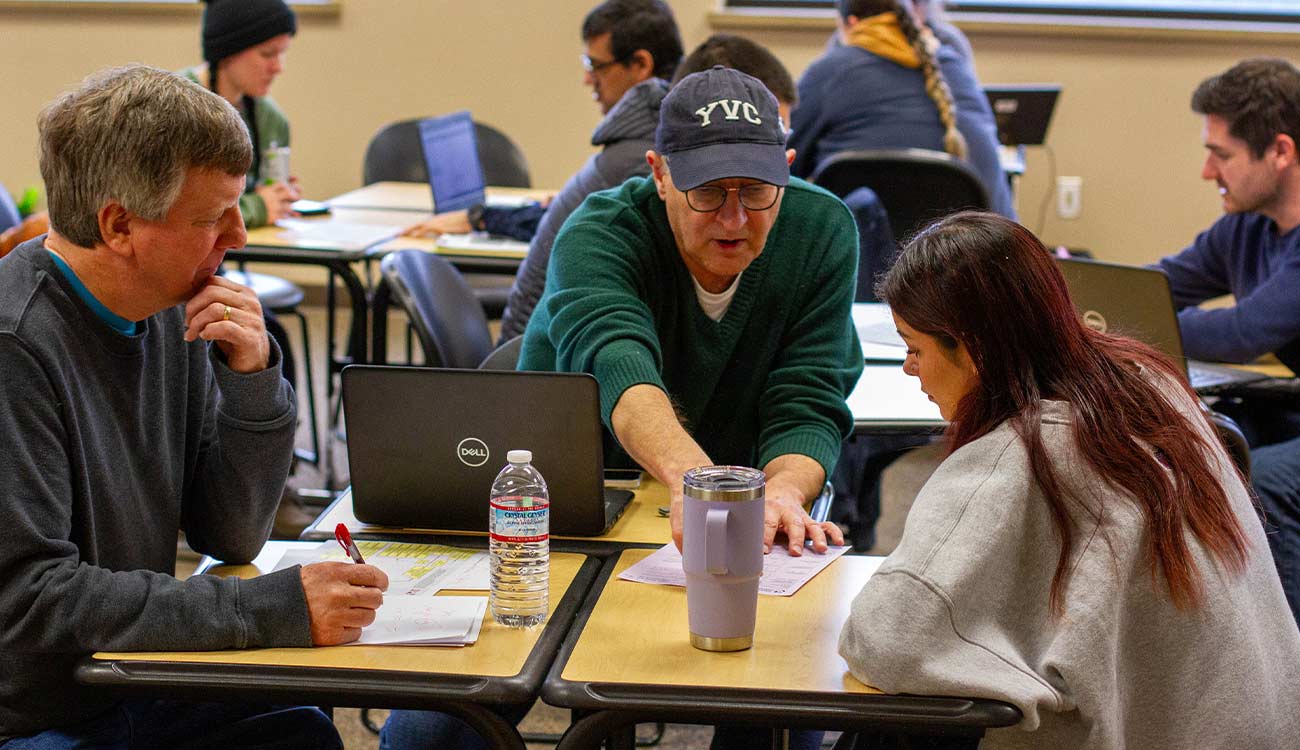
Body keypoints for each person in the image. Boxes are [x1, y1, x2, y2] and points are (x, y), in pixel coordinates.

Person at [0, 65, 389, 748]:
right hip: (36, 714)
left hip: (120, 677)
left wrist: (254, 378)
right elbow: (29, 600)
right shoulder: (15, 347)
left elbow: (231, 532)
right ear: (120, 225)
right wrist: (268, 608)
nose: (238, 236)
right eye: (212, 217)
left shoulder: (163, 306)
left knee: (301, 725)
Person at [838, 211, 1300, 749]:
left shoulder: (1025, 455)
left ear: (974, 348)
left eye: (914, 348)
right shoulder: (1149, 382)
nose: (909, 370)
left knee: (891, 729)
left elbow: (887, 638)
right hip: (1261, 724)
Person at [403, 0, 683, 342]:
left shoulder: (642, 146)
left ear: (640, 65)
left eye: (595, 66)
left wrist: (482, 217)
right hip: (541, 362)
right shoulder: (647, 153)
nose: (586, 79)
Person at [1154, 58, 1300, 625]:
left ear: (1281, 151)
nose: (1207, 172)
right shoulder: (1247, 225)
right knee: (1184, 447)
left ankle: (1283, 678)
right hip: (1289, 411)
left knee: (1264, 480)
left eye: (1222, 154)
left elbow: (1246, 331)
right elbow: (1162, 284)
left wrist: (1125, 319)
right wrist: (1076, 296)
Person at [788, 0, 1014, 218]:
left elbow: (784, 165)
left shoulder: (829, 72)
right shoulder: (956, 68)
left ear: (851, 24)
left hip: (862, 251)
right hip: (975, 250)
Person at [183, 0, 302, 228]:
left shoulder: (271, 120)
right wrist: (256, 207)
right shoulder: (174, 110)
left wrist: (278, 197)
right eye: (268, 54)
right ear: (227, 53)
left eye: (282, 53)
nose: (279, 67)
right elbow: (175, 214)